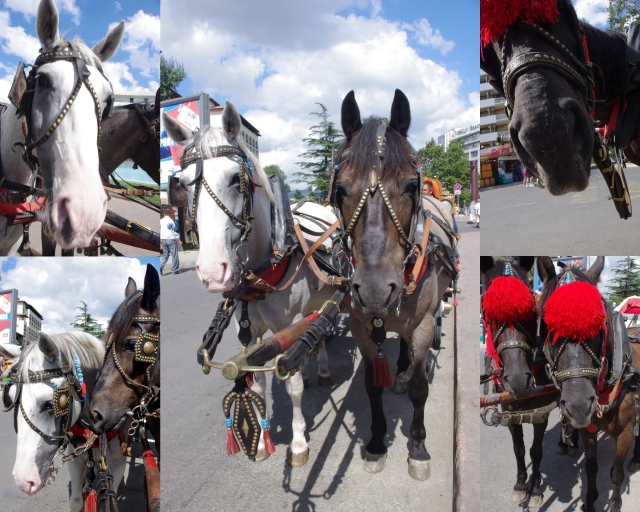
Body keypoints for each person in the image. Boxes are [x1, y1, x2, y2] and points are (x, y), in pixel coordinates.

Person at [161, 209, 182, 275]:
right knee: (174, 255)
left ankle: (160, 268)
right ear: (170, 214)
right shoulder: (172, 221)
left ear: (164, 214)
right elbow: (175, 232)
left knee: (165, 255)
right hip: (171, 240)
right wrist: (179, 241)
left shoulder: (161, 221)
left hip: (164, 240)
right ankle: (174, 270)